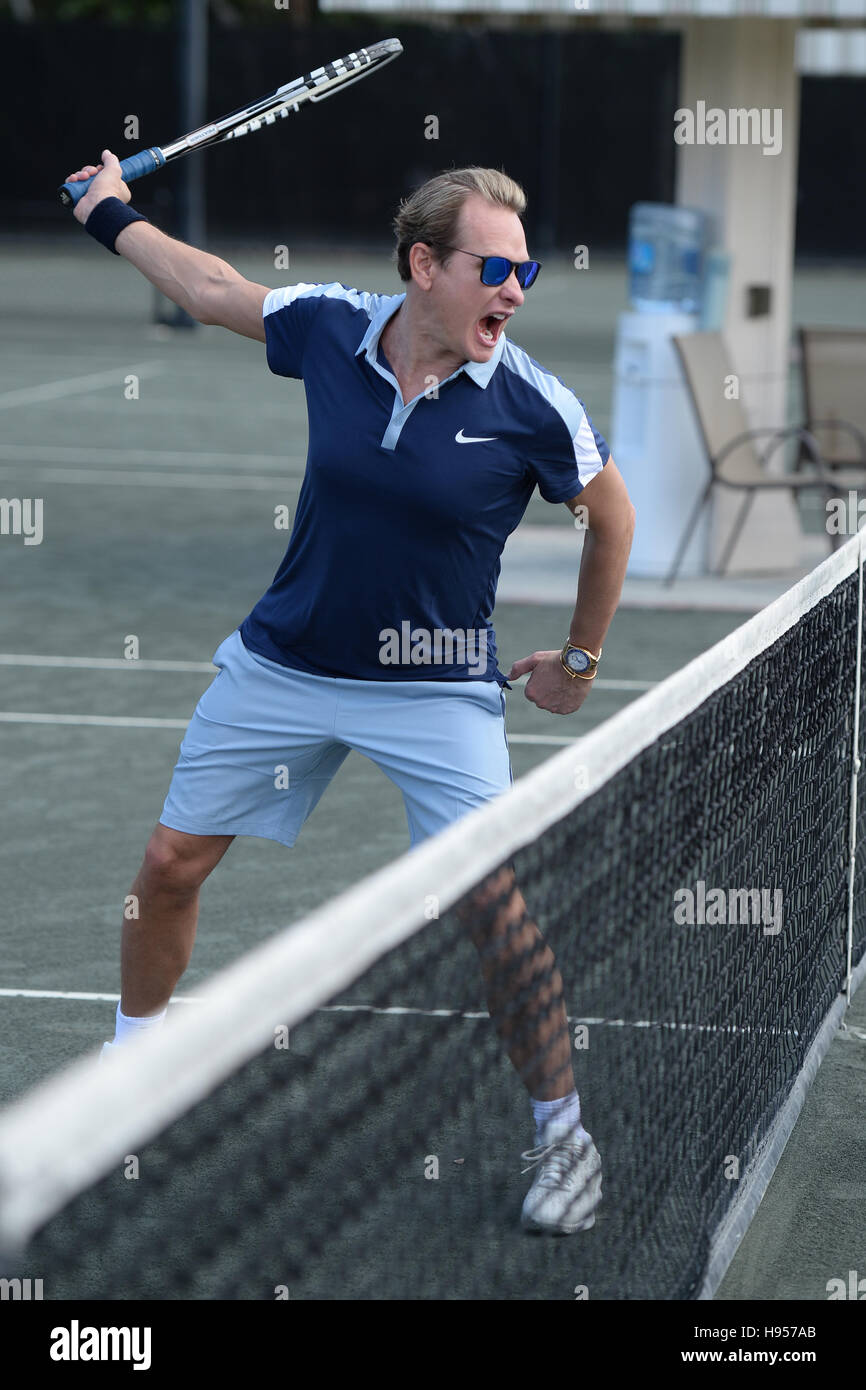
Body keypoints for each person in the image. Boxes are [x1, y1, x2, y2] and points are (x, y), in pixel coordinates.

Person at [66, 153, 635, 1234]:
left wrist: (579, 659)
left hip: (433, 687)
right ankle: (124, 1083)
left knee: (491, 906)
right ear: (424, 266)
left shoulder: (529, 403)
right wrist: (110, 216)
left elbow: (610, 519)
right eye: (493, 266)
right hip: (285, 662)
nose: (513, 289)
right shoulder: (331, 326)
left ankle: (563, 1134)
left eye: (527, 272)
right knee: (168, 864)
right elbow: (211, 288)